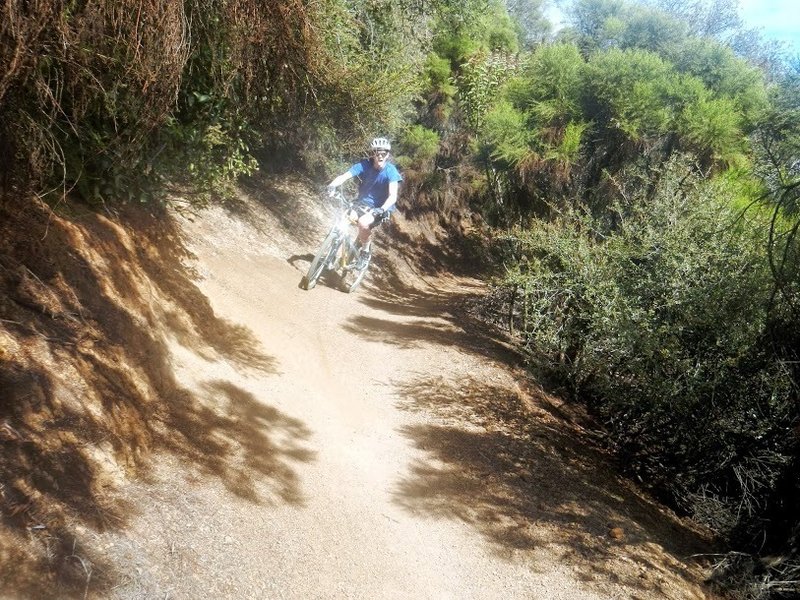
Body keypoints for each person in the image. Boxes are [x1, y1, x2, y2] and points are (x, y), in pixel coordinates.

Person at [327, 137, 402, 268]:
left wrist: (382, 209)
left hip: (380, 208)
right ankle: (331, 252)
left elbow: (393, 196)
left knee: (363, 223)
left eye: (383, 154)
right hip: (361, 204)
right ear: (372, 154)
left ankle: (365, 252)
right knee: (342, 220)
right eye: (376, 153)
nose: (379, 156)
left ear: (387, 155)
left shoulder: (391, 171)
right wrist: (332, 186)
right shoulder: (364, 165)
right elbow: (345, 176)